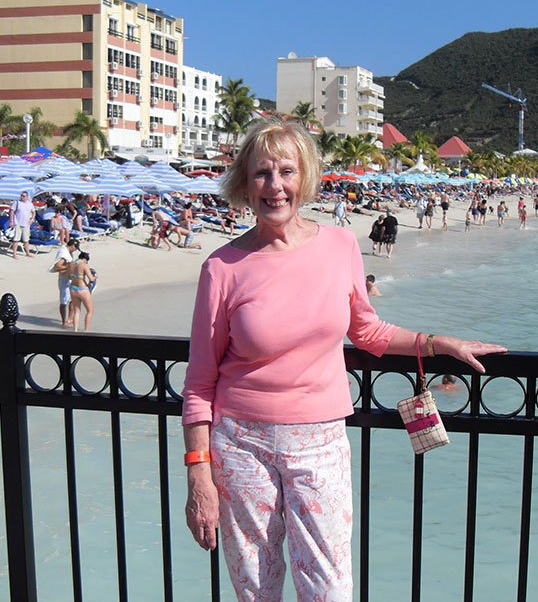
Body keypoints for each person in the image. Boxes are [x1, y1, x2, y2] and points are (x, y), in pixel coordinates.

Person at [181, 118, 506, 600]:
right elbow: (199, 383)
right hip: (241, 444)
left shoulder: (339, 245)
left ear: (305, 178)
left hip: (321, 441)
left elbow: (368, 331)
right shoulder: (222, 267)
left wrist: (439, 343)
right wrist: (199, 475)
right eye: (261, 173)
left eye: (287, 172)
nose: (274, 186)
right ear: (245, 184)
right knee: (255, 589)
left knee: (329, 586)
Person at [52, 238, 80, 326]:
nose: (75, 250)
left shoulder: (69, 252)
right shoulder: (63, 253)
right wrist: (70, 267)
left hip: (70, 279)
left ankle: (70, 318)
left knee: (72, 299)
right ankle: (64, 321)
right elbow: (57, 266)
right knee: (63, 302)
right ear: (72, 246)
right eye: (76, 248)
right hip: (64, 280)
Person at [67, 251, 97, 331]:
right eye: (87, 261)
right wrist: (95, 277)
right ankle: (86, 330)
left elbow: (69, 277)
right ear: (85, 259)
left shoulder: (71, 264)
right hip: (82, 289)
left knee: (77, 311)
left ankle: (75, 330)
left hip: (73, 288)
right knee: (90, 310)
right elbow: (91, 279)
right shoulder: (84, 265)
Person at [9, 191, 35, 259]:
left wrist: (32, 219)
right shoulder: (17, 202)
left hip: (26, 224)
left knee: (26, 239)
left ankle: (27, 253)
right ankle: (14, 254)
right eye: (21, 196)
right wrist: (11, 221)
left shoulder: (30, 204)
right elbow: (12, 211)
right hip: (17, 223)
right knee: (16, 239)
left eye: (24, 196)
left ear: (27, 197)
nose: (22, 197)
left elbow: (33, 212)